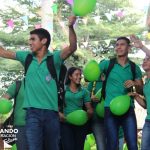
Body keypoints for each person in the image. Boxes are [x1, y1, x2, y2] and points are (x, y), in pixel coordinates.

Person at [0, 16, 77, 150]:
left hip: (52, 114)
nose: (29, 42)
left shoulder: (55, 59)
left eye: (33, 39)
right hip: (32, 114)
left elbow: (72, 47)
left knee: (52, 147)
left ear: (44, 41)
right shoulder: (27, 57)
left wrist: (70, 27)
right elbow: (2, 52)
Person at [99, 37, 143, 150]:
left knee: (132, 145)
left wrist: (134, 83)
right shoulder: (107, 64)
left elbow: (140, 90)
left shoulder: (134, 67)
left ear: (129, 47)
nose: (118, 47)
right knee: (112, 145)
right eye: (117, 45)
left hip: (128, 109)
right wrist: (100, 76)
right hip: (110, 109)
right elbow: (91, 76)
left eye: (122, 44)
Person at [59, 67, 93, 150]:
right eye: (76, 74)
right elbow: (57, 106)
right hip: (66, 123)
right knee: (68, 147)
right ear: (70, 77)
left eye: (80, 75)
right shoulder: (63, 89)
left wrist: (89, 112)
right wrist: (59, 114)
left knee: (79, 148)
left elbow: (89, 108)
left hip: (80, 124)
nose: (79, 77)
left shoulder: (84, 91)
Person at [87, 80, 124, 150]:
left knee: (115, 145)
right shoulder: (93, 83)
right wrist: (90, 98)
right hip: (98, 120)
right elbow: (85, 98)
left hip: (114, 118)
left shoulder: (114, 80)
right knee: (101, 147)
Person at [128, 56, 150, 150]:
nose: (144, 61)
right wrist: (136, 96)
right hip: (148, 121)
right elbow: (146, 105)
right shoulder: (146, 83)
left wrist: (141, 46)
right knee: (144, 148)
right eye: (143, 60)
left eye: (148, 59)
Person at [2, 80, 28, 150]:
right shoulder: (19, 84)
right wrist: (5, 102)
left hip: (41, 124)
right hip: (21, 125)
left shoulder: (44, 83)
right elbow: (4, 98)